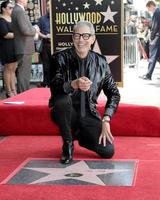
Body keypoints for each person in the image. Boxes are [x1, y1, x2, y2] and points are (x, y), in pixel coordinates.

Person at [49, 21, 120, 164]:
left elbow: (114, 93)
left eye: (86, 36)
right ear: (72, 38)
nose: (81, 40)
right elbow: (54, 86)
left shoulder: (101, 62)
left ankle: (82, 136)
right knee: (62, 100)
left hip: (89, 113)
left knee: (108, 151)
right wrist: (73, 84)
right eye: (77, 35)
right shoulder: (60, 58)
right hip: (67, 113)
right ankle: (68, 143)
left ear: (93, 39)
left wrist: (106, 118)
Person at [11, 0, 39, 93]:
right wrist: (35, 30)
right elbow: (25, 30)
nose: (27, 1)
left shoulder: (17, 10)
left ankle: (24, 94)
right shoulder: (19, 11)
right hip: (24, 47)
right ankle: (23, 95)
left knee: (24, 73)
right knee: (24, 74)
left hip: (23, 47)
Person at [0, 0, 17, 97]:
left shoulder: (12, 19)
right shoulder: (1, 20)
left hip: (14, 46)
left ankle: (14, 89)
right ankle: (9, 91)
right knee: (8, 69)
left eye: (12, 7)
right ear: (3, 8)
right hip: (6, 47)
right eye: (10, 7)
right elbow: (6, 34)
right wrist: (18, 35)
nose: (12, 9)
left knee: (13, 69)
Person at [140, 1, 160, 80]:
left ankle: (148, 75)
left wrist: (151, 38)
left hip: (157, 38)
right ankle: (148, 74)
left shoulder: (156, 12)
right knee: (157, 57)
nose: (149, 10)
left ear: (151, 5)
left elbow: (155, 27)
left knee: (153, 57)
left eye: (149, 8)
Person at [37, 0, 51, 87]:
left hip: (58, 46)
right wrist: (45, 36)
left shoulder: (59, 17)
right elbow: (37, 32)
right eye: (48, 6)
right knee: (46, 67)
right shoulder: (42, 19)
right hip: (46, 45)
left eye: (50, 6)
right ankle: (46, 83)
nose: (49, 8)